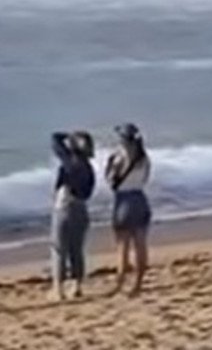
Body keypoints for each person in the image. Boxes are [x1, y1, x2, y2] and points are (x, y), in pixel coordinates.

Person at [105, 122, 152, 296]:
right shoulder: (144, 158)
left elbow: (111, 182)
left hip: (124, 201)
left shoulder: (117, 158)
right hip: (140, 198)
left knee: (122, 246)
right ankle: (138, 284)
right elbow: (146, 179)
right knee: (141, 245)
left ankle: (120, 283)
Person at [50, 131, 95, 301]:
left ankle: (58, 289)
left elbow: (54, 139)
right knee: (77, 250)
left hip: (65, 207)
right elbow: (88, 192)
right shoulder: (89, 168)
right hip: (81, 208)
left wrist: (67, 135)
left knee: (59, 249)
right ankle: (77, 286)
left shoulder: (69, 162)